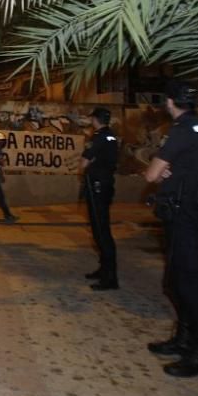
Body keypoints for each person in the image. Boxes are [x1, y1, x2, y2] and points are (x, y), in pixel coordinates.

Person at [144, 80, 198, 378]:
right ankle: (184, 341)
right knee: (177, 280)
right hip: (192, 212)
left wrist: (161, 170)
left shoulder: (181, 130)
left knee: (191, 283)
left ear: (170, 102)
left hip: (184, 215)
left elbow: (151, 174)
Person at [81, 107, 120, 290]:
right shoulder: (112, 136)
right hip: (106, 186)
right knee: (102, 229)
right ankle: (104, 270)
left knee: (101, 232)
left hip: (96, 187)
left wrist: (89, 162)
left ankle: (110, 277)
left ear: (95, 119)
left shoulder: (97, 137)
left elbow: (84, 163)